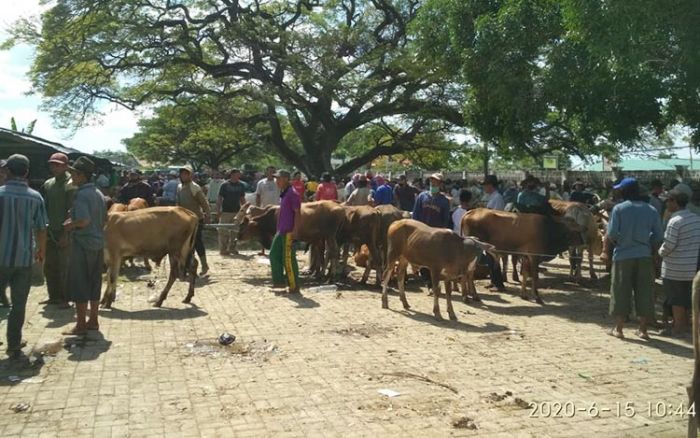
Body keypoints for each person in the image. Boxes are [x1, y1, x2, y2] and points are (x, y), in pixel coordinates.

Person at [0, 155, 47, 359]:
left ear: (7, 171)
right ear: (26, 172)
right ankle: (13, 344)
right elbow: (41, 229)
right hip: (24, 259)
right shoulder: (35, 197)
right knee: (19, 304)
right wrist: (41, 251)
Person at [607, 177, 663, 340]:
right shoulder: (651, 209)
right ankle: (643, 330)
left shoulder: (619, 209)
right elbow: (658, 235)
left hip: (623, 255)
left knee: (620, 290)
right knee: (645, 291)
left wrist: (621, 241)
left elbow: (611, 234)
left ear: (624, 191)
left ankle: (618, 329)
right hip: (644, 255)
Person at [62, 157, 106, 335]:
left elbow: (84, 220)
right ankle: (93, 320)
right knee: (95, 283)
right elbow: (103, 219)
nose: (71, 176)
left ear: (81, 175)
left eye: (73, 173)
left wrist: (69, 225)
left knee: (80, 283)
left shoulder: (81, 194)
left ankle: (80, 325)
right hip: (98, 243)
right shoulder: (98, 193)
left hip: (82, 243)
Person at [658, 188, 700, 336]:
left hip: (674, 267)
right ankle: (688, 326)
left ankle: (677, 328)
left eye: (668, 201)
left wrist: (660, 252)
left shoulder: (674, 221)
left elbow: (669, 245)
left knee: (676, 300)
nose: (666, 204)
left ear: (674, 202)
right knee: (689, 298)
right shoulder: (696, 219)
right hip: (691, 266)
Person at [41, 152, 76, 307]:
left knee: (65, 266)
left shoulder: (71, 183)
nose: (54, 167)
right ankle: (53, 296)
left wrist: (65, 233)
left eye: (57, 164)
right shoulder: (48, 183)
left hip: (65, 231)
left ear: (65, 166)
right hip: (50, 230)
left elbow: (72, 210)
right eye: (52, 164)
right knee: (50, 265)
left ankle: (65, 298)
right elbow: (44, 208)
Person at [269, 170, 301, 294]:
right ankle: (279, 282)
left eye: (279, 179)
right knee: (273, 254)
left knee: (288, 258)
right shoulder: (284, 193)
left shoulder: (293, 193)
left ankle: (294, 285)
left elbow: (298, 213)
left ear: (286, 179)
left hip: (289, 231)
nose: (277, 181)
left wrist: (295, 231)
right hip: (281, 230)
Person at [177, 165, 210, 275]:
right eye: (182, 174)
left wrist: (208, 215)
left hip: (196, 219)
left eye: (186, 174)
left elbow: (204, 203)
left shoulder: (194, 187)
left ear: (190, 175)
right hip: (183, 220)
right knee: (185, 244)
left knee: (197, 243)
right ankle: (187, 267)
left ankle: (204, 265)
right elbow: (178, 204)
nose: (183, 176)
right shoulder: (179, 187)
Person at [480, 175, 506, 291]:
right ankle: (493, 281)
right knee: (490, 257)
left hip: (495, 232)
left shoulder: (498, 198)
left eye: (485, 185)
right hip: (488, 231)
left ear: (490, 185)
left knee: (494, 258)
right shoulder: (491, 197)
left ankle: (499, 283)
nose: (484, 188)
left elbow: (497, 215)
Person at [217, 169, 247, 255]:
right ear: (232, 175)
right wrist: (218, 209)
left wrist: (245, 209)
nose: (239, 176)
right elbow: (219, 198)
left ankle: (232, 248)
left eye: (239, 175)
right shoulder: (224, 185)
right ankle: (223, 249)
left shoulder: (241, 185)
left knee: (235, 231)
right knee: (223, 231)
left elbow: (242, 198)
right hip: (226, 211)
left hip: (237, 211)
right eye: (237, 174)